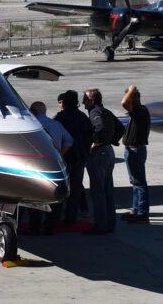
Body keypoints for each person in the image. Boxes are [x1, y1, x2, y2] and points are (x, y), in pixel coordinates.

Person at [28, 101, 72, 235]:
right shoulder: (56, 124)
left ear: (32, 112)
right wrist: (59, 155)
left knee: (35, 199)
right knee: (55, 198)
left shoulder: (32, 125)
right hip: (54, 164)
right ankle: (50, 228)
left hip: (37, 165)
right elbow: (69, 141)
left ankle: (34, 228)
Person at [81, 88, 119, 235]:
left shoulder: (95, 112)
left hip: (99, 153)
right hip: (108, 151)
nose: (83, 101)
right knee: (107, 190)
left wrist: (95, 144)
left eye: (85, 99)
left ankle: (100, 226)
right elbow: (120, 128)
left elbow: (100, 128)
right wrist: (110, 141)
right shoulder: (106, 111)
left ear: (92, 100)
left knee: (97, 191)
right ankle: (110, 224)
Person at [54, 89, 93, 224]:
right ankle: (71, 218)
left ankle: (56, 217)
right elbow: (90, 135)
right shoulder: (82, 117)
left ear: (64, 102)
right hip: (80, 157)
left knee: (60, 187)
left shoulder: (60, 117)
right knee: (76, 188)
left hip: (66, 157)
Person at [120, 84, 151, 224]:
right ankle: (136, 210)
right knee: (135, 182)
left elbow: (124, 103)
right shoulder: (139, 111)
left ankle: (142, 213)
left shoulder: (140, 110)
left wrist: (131, 89)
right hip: (133, 150)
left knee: (139, 183)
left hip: (135, 150)